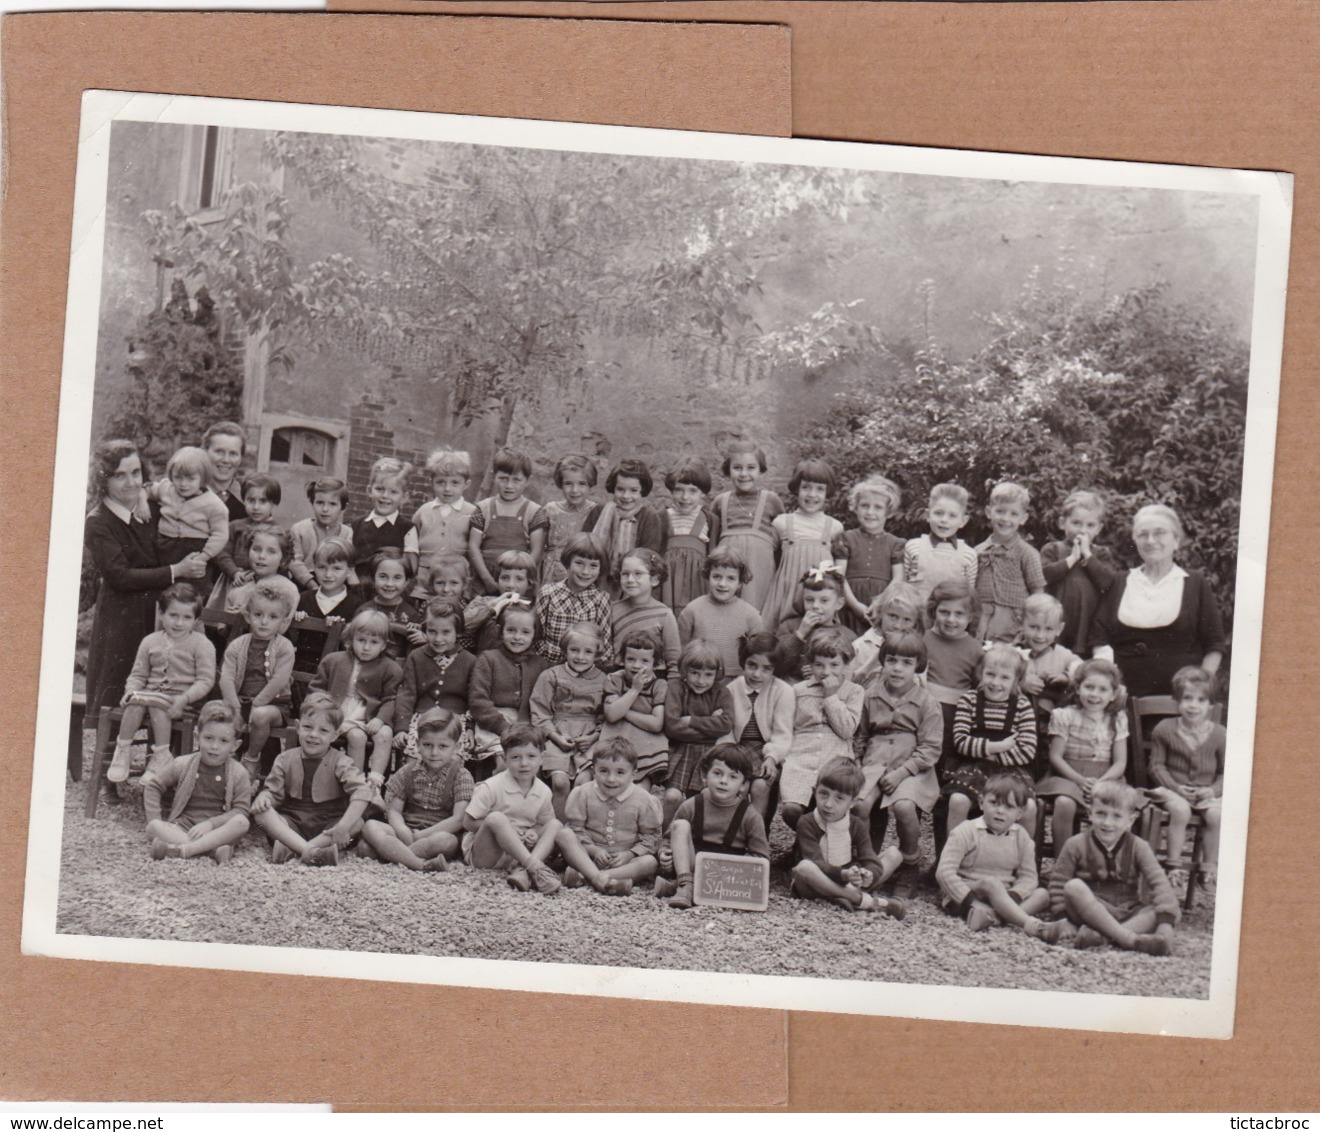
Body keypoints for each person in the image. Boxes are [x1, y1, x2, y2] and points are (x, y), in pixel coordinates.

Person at [83, 441, 207, 734]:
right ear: (103, 479)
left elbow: (191, 496)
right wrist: (176, 571)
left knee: (168, 687)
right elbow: (120, 577)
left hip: (158, 614)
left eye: (136, 473)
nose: (131, 482)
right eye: (120, 475)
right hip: (122, 618)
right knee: (117, 694)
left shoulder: (152, 506)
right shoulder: (99, 521)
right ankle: (109, 773)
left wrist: (143, 493)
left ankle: (162, 767)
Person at [1089, 504, 1226, 698]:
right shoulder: (1120, 581)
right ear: (1135, 541)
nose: (1150, 541)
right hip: (1122, 699)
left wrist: (1199, 689)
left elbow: (1214, 645)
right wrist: (1108, 683)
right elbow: (1099, 637)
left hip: (1181, 703)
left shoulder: (1195, 583)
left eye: (1159, 533)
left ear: (1176, 540)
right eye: (1143, 535)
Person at [853, 631, 944, 897]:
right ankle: (867, 861)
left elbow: (930, 748)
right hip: (874, 761)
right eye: (891, 660)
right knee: (860, 805)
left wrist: (902, 772)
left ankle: (910, 862)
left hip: (912, 767)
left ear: (918, 665)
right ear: (882, 661)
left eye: (906, 662)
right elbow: (861, 736)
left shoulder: (927, 702)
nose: (897, 668)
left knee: (904, 807)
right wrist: (859, 763)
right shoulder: (871, 696)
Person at [1050, 779, 1180, 954]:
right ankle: (1128, 939)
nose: (1107, 823)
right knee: (1073, 887)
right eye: (1101, 813)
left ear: (1130, 820)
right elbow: (1058, 884)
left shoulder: (1139, 846)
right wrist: (1063, 919)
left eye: (1117, 816)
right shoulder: (1075, 844)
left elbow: (1159, 883)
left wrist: (1165, 925)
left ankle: (1102, 938)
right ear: (1090, 813)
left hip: (1127, 911)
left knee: (1164, 910)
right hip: (1089, 911)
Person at [936, 772, 1069, 942]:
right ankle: (1033, 926)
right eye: (994, 803)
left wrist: (1011, 897)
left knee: (1043, 894)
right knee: (991, 883)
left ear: (1020, 813)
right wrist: (971, 901)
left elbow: (1028, 877)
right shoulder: (966, 831)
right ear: (981, 802)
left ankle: (992, 917)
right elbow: (944, 872)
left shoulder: (1021, 837)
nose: (1000, 811)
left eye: (1009, 807)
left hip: (1004, 895)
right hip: (966, 896)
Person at [108, 583, 216, 786]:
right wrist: (130, 690)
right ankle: (122, 750)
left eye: (187, 617)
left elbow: (206, 680)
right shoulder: (150, 641)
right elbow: (138, 674)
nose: (179, 623)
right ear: (161, 613)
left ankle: (161, 756)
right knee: (136, 700)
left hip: (183, 702)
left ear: (195, 619)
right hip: (150, 697)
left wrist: (185, 698)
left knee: (156, 703)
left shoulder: (201, 644)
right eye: (173, 615)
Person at [251, 692, 372, 866]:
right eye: (308, 727)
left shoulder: (341, 761)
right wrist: (265, 797)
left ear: (335, 735)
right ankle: (314, 852)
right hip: (292, 824)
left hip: (328, 826)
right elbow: (273, 793)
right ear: (298, 727)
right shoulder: (285, 758)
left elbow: (362, 792)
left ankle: (296, 850)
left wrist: (343, 826)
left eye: (323, 730)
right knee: (261, 814)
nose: (313, 735)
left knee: (357, 822)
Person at [656, 744, 770, 909]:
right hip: (692, 865)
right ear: (704, 775)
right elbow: (667, 839)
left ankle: (677, 888)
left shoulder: (750, 816)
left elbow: (761, 858)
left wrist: (738, 874)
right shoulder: (692, 805)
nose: (723, 781)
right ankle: (685, 886)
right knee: (680, 825)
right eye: (717, 773)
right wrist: (664, 853)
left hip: (727, 874)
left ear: (744, 784)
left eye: (733, 777)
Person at [1145, 665, 1225, 895]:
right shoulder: (1165, 729)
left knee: (1216, 815)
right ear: (1177, 701)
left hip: (1206, 792)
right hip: (1171, 789)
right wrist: (1176, 787)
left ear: (1211, 704)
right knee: (1180, 811)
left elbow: (1225, 771)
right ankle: (1173, 867)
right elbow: (1156, 766)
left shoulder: (1219, 734)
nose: (1193, 705)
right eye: (1187, 698)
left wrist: (1212, 790)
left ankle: (1208, 869)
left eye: (1201, 700)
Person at [360, 708, 472, 871]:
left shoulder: (461, 775)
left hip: (436, 834)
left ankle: (393, 854)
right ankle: (420, 864)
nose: (434, 752)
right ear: (418, 745)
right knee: (370, 826)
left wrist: (422, 835)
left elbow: (458, 819)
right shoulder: (408, 772)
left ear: (456, 747)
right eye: (427, 745)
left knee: (447, 841)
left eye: (442, 746)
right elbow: (394, 811)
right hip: (405, 830)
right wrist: (402, 829)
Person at [944, 643, 1038, 839]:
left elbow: (1027, 749)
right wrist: (997, 747)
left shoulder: (1022, 705)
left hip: (1011, 772)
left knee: (1028, 807)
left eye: (1005, 677)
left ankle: (1023, 861)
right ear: (980, 673)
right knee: (958, 800)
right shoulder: (969, 700)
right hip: (973, 768)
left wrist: (993, 756)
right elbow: (960, 741)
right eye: (990, 674)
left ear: (1016, 680)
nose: (996, 682)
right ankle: (952, 855)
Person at [790, 758, 904, 916]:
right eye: (824, 794)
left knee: (894, 854)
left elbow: (870, 859)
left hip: (850, 881)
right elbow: (815, 861)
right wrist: (843, 875)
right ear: (814, 791)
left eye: (839, 798)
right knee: (804, 868)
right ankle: (863, 900)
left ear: (852, 802)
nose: (828, 804)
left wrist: (868, 874)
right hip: (817, 882)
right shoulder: (807, 822)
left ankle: (840, 896)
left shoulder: (856, 824)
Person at [142, 701, 251, 865]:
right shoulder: (183, 764)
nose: (214, 746)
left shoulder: (238, 773)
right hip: (183, 828)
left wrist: (210, 824)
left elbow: (241, 810)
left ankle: (183, 850)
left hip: (217, 830)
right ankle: (212, 850)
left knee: (242, 823)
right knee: (154, 827)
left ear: (235, 745)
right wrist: (154, 818)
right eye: (208, 738)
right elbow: (154, 786)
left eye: (223, 741)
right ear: (196, 737)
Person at [1036, 658, 1129, 852]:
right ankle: (1063, 861)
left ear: (1113, 694)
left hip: (1107, 776)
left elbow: (1120, 762)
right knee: (1064, 802)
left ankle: (1101, 859)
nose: (1095, 694)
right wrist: (1079, 780)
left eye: (1103, 690)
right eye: (1089, 687)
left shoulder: (1117, 719)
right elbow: (1056, 757)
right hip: (1069, 774)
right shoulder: (1065, 715)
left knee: (1113, 805)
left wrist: (1101, 782)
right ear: (1078, 689)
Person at [461, 721, 563, 894]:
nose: (524, 763)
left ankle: (525, 870)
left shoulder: (543, 791)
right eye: (516, 757)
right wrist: (507, 829)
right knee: (496, 818)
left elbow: (542, 824)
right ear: (504, 759)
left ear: (541, 758)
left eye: (531, 756)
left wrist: (533, 833)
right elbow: (468, 822)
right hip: (487, 854)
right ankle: (535, 868)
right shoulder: (491, 786)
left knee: (556, 825)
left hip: (518, 852)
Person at [778, 630, 864, 831]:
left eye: (834, 665)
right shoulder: (799, 691)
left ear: (845, 665)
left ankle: (817, 847)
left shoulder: (854, 691)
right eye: (819, 665)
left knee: (832, 807)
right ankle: (809, 840)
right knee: (791, 809)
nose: (826, 671)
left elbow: (846, 730)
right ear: (810, 664)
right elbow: (787, 727)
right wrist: (785, 757)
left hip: (835, 758)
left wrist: (831, 696)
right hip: (800, 759)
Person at [555, 737, 663, 895]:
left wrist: (629, 854)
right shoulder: (584, 793)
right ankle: (604, 879)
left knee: (650, 862)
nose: (611, 779)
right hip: (588, 858)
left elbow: (651, 838)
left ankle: (591, 877)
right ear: (593, 771)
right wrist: (594, 850)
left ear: (633, 774)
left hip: (625, 863)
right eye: (604, 771)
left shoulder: (643, 799)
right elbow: (576, 829)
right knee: (563, 835)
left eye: (620, 772)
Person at [310, 608, 402, 789]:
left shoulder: (390, 668)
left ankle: (375, 781)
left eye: (374, 642)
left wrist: (380, 719)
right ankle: (356, 783)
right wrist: (321, 709)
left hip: (369, 715)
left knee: (385, 733)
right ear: (351, 639)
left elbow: (391, 698)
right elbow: (317, 689)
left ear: (383, 645)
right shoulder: (334, 660)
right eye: (361, 640)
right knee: (357, 737)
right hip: (340, 712)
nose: (366, 647)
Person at [218, 578, 297, 780]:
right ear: (248, 615)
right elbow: (226, 678)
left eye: (272, 617)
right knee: (215, 713)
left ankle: (251, 759)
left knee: (260, 715)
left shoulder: (284, 647)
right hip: (241, 702)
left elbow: (280, 680)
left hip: (275, 706)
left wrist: (258, 703)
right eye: (258, 615)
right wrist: (235, 707)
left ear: (283, 621)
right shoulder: (237, 645)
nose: (264, 622)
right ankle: (219, 764)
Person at [529, 622, 607, 816]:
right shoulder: (551, 676)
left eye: (587, 652)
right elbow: (540, 712)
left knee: (583, 785)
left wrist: (594, 737)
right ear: (565, 649)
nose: (580, 657)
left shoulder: (605, 679)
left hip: (589, 740)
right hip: (558, 734)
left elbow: (607, 716)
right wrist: (555, 738)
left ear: (597, 653)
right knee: (560, 783)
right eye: (574, 650)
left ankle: (577, 831)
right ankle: (557, 830)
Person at [467, 600, 549, 774]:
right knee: (504, 763)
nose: (517, 637)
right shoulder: (488, 659)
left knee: (532, 761)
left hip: (528, 724)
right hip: (493, 723)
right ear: (500, 631)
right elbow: (478, 701)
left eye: (525, 632)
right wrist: (503, 727)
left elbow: (545, 703)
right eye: (511, 630)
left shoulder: (540, 665)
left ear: (534, 635)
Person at [720, 631, 794, 824]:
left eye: (766, 669)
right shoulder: (731, 689)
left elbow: (782, 733)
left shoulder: (783, 691)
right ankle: (734, 833)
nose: (757, 674)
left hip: (766, 749)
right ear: (743, 663)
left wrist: (772, 757)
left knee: (760, 786)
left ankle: (757, 833)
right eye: (751, 665)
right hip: (737, 749)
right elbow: (725, 730)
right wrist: (729, 755)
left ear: (774, 669)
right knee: (738, 787)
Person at [762, 458, 843, 632]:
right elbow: (770, 560)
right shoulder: (782, 523)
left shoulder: (834, 527)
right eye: (806, 487)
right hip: (786, 598)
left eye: (819, 489)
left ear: (827, 492)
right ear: (797, 489)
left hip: (820, 601)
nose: (812, 495)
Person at [392, 599, 476, 765]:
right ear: (424, 630)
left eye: (446, 632)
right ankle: (413, 790)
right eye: (432, 631)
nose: (438, 639)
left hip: (456, 719)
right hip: (422, 718)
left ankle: (448, 790)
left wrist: (471, 729)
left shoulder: (470, 661)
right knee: (413, 759)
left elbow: (474, 699)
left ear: (458, 632)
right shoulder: (416, 656)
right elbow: (407, 694)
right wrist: (401, 728)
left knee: (454, 761)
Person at [1040, 489, 1119, 656]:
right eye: (1076, 523)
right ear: (1062, 523)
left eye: (1090, 525)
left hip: (1087, 622)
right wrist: (1072, 558)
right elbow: (1043, 576)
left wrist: (1088, 555)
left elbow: (1108, 583)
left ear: (1099, 529)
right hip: (1055, 621)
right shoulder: (1053, 549)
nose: (1083, 530)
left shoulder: (1101, 554)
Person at [662, 638, 733, 822]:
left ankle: (691, 838)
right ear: (684, 670)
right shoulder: (676, 688)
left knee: (701, 799)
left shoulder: (721, 692)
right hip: (681, 751)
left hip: (709, 753)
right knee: (672, 796)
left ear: (717, 673)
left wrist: (691, 720)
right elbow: (672, 726)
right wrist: (711, 724)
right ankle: (660, 836)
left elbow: (726, 724)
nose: (701, 681)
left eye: (708, 675)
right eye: (695, 673)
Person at [708, 442, 782, 612]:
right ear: (729, 470)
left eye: (751, 468)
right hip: (727, 568)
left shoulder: (771, 500)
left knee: (758, 611)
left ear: (760, 469)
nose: (744, 474)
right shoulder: (721, 502)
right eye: (737, 468)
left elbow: (782, 540)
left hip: (760, 568)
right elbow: (711, 542)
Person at [973, 480, 1046, 642]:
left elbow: (1038, 593)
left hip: (1012, 624)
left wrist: (1032, 625)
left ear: (1023, 518)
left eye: (1014, 514)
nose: (1006, 518)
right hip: (981, 621)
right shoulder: (977, 551)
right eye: (1000, 511)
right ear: (988, 512)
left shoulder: (1027, 553)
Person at [583, 458, 666, 598]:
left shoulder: (649, 518)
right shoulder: (599, 512)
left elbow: (649, 558)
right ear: (613, 488)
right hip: (598, 583)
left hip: (633, 586)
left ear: (642, 491)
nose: (626, 496)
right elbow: (584, 547)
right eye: (620, 489)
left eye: (633, 490)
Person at [833, 474, 906, 635]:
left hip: (882, 607)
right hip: (849, 605)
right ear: (856, 507)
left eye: (878, 507)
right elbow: (839, 576)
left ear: (889, 512)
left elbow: (898, 579)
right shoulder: (846, 539)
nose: (870, 512)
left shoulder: (895, 544)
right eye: (865, 505)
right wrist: (855, 606)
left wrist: (880, 602)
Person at [469, 447, 548, 594]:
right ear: (494, 477)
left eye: (516, 480)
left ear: (527, 481)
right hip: (484, 580)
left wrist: (518, 581)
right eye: (503, 479)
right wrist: (487, 580)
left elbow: (536, 551)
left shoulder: (534, 511)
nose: (509, 486)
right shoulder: (483, 508)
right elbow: (473, 546)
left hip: (518, 582)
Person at [600, 632, 669, 796]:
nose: (637, 666)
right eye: (631, 659)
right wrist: (635, 690)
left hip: (646, 743)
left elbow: (656, 723)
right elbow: (611, 715)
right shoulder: (614, 679)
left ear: (656, 663)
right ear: (622, 660)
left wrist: (624, 711)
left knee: (638, 792)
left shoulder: (659, 685)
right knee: (608, 786)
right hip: (615, 738)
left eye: (644, 661)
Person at [147, 446, 229, 585]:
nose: (183, 484)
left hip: (194, 551)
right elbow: (147, 489)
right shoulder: (166, 488)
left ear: (203, 478)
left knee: (192, 593)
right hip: (165, 547)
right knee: (163, 587)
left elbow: (220, 534)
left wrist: (204, 556)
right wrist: (143, 500)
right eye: (178, 477)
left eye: (190, 479)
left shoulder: (213, 504)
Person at [677, 546, 763, 678]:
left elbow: (758, 657)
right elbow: (681, 650)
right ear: (708, 576)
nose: (722, 584)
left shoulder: (751, 616)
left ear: (740, 582)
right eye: (716, 576)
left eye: (731, 578)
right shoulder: (692, 610)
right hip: (699, 680)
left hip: (735, 683)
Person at [406, 447, 477, 599]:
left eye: (455, 483)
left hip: (455, 583)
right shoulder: (423, 512)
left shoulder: (472, 513)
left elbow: (476, 548)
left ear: (466, 484)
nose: (447, 489)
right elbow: (411, 545)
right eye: (441, 482)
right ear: (431, 482)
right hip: (424, 582)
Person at [534, 532, 613, 665]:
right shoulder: (548, 593)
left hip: (584, 669)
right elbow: (536, 636)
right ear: (567, 563)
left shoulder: (601, 599)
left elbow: (603, 644)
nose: (585, 572)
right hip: (547, 665)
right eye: (579, 563)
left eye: (593, 565)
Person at [774, 563, 856, 679]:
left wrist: (820, 673)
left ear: (839, 603)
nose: (815, 606)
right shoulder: (790, 626)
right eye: (809, 600)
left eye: (824, 601)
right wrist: (800, 634)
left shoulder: (848, 635)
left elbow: (851, 672)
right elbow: (776, 664)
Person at [903, 482, 977, 604]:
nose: (944, 520)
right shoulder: (913, 546)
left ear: (963, 521)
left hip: (948, 619)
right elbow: (902, 586)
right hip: (914, 616)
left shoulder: (969, 555)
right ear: (927, 515)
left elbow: (968, 595)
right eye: (938, 513)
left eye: (952, 516)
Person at [610, 548, 680, 674]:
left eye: (638, 574)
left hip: (653, 679)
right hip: (618, 676)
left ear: (654, 579)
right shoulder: (612, 609)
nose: (630, 580)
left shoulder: (664, 614)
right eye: (625, 574)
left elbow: (673, 658)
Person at [660, 456, 714, 615]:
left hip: (698, 584)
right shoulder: (661, 517)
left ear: (702, 493)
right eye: (679, 490)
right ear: (671, 490)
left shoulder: (710, 520)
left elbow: (713, 555)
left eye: (693, 491)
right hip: (667, 585)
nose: (685, 497)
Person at [212, 474, 281, 596]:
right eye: (251, 500)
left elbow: (281, 563)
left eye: (263, 501)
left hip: (264, 585)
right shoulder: (235, 527)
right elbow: (222, 553)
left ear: (274, 503)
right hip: (235, 582)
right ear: (244, 500)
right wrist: (234, 572)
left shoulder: (278, 532)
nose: (256, 507)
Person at [851, 580, 926, 688]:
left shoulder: (917, 650)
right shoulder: (860, 646)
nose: (898, 626)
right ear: (881, 612)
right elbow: (849, 684)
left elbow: (921, 689)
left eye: (907, 620)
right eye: (893, 616)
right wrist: (876, 657)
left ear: (915, 623)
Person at [540, 454, 597, 589]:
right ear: (560, 483)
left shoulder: (595, 511)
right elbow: (540, 547)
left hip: (582, 574)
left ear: (590, 484)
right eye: (568, 483)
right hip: (551, 575)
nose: (574, 490)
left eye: (582, 484)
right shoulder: (550, 510)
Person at [214, 523, 295, 617]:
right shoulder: (243, 582)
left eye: (271, 552)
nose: (261, 556)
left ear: (283, 558)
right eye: (256, 549)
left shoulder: (286, 588)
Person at [358, 548, 425, 660]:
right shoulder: (364, 611)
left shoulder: (411, 614)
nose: (389, 584)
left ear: (406, 581)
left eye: (397, 578)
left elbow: (415, 652)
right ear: (373, 579)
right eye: (383, 577)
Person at [289, 477, 354, 591]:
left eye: (332, 504)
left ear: (343, 507)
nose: (325, 509)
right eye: (320, 503)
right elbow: (295, 562)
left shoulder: (347, 532)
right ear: (312, 503)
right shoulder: (299, 529)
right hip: (305, 584)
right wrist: (312, 586)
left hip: (335, 584)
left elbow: (348, 564)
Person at [464, 550, 535, 653]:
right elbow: (464, 626)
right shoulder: (484, 602)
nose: (510, 585)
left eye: (519, 579)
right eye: (505, 578)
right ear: (497, 580)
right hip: (484, 663)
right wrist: (493, 605)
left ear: (530, 583)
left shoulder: (531, 609)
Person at [352, 456, 411, 578]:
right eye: (379, 489)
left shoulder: (407, 529)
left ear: (404, 497)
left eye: (393, 492)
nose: (385, 496)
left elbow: (410, 567)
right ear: (369, 490)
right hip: (359, 589)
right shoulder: (356, 525)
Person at [293, 536, 361, 629]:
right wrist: (296, 620)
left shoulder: (356, 606)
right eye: (322, 567)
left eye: (336, 568)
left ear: (349, 571)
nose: (328, 575)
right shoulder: (301, 600)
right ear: (314, 567)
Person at [201, 421, 248, 524]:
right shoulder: (189, 493)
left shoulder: (250, 500)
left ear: (241, 458)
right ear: (204, 452)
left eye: (233, 453)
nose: (226, 460)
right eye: (219, 452)